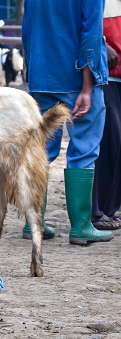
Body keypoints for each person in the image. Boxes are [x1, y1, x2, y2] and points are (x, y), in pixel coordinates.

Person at [22, 0, 114, 244]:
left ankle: (33, 222)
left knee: (39, 150)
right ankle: (82, 226)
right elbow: (91, 31)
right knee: (84, 150)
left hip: (41, 75)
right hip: (76, 79)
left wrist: (30, 69)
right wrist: (88, 85)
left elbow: (27, 26)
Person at [91, 0, 121, 231]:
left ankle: (110, 208)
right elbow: (82, 23)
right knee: (110, 137)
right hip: (106, 74)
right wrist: (100, 43)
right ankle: (98, 210)